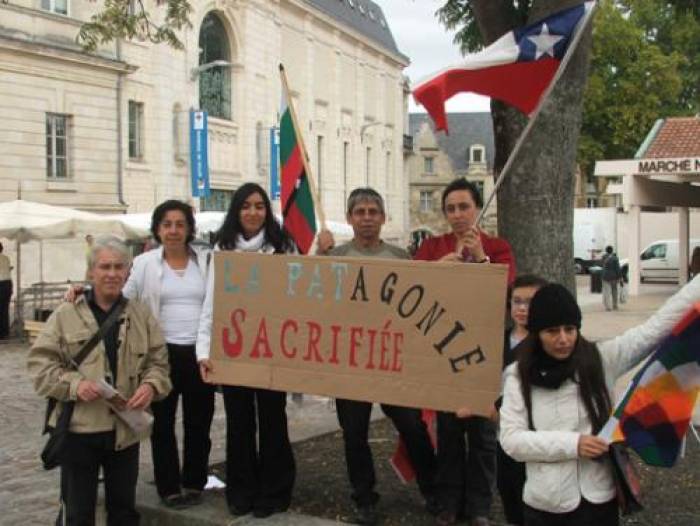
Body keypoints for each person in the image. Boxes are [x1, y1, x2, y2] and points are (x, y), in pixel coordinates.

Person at [499, 278, 700, 526]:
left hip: (600, 499)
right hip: (546, 504)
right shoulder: (518, 376)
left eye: (570, 329)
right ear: (537, 333)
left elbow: (654, 329)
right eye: (552, 331)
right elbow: (511, 440)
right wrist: (574, 444)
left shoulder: (602, 359)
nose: (563, 339)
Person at [27, 235, 171, 525]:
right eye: (105, 267)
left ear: (128, 272)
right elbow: (39, 365)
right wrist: (75, 385)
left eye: (119, 267)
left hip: (124, 430)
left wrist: (150, 385)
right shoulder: (66, 314)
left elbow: (159, 362)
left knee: (123, 511)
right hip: (80, 428)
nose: (112, 274)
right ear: (91, 272)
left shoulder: (140, 314)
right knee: (78, 513)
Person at [317, 188, 438, 525]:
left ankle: (432, 490)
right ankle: (364, 497)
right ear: (350, 218)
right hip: (350, 364)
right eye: (360, 212)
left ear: (383, 218)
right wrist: (317, 254)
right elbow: (314, 299)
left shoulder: (401, 258)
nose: (367, 218)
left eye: (373, 211)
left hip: (394, 362)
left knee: (412, 428)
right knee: (354, 434)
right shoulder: (335, 257)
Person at [414, 177, 516, 526]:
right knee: (449, 431)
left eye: (464, 207)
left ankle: (480, 507)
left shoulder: (498, 247)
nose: (457, 214)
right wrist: (438, 268)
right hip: (444, 352)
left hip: (485, 351)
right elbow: (413, 287)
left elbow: (506, 291)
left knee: (483, 433)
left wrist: (481, 259)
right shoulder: (432, 246)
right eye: (451, 208)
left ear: (477, 209)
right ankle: (449, 503)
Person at [196, 182, 298, 519]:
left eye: (259, 206)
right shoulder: (222, 249)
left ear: (267, 212)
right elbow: (211, 303)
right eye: (246, 206)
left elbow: (302, 294)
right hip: (234, 348)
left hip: (274, 347)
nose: (253, 212)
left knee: (272, 418)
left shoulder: (283, 246)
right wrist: (203, 351)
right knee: (239, 421)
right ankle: (241, 490)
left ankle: (275, 489)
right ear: (236, 211)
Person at [124, 200, 214, 509]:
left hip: (200, 352)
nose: (173, 230)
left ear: (189, 228)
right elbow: (123, 297)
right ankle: (168, 485)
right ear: (158, 229)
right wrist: (83, 291)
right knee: (162, 423)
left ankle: (194, 481)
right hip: (160, 355)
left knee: (199, 421)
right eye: (167, 224)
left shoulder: (206, 260)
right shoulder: (145, 263)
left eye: (179, 224)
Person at [496, 275, 548, 526]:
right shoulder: (497, 340)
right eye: (516, 301)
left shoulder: (551, 345)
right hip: (504, 435)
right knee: (510, 491)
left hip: (539, 437)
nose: (522, 308)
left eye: (530, 302)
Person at [601, 246, 621, 311]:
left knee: (606, 292)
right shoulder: (615, 258)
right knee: (614, 291)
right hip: (613, 277)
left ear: (606, 251)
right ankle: (615, 305)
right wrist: (619, 277)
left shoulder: (604, 257)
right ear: (612, 251)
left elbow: (602, 266)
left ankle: (608, 306)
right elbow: (617, 269)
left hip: (605, 276)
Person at [0, 242, 12, 339]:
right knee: (4, 308)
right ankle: (5, 332)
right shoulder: (6, 258)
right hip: (7, 284)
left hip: (0, 284)